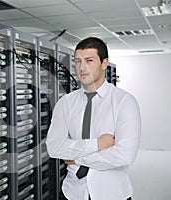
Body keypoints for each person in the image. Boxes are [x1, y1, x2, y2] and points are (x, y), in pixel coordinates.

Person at [45, 37, 141, 200]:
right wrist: (98, 144)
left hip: (112, 193)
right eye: (77, 61)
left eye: (89, 60)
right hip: (72, 192)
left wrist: (77, 158)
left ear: (104, 63)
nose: (82, 67)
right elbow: (54, 147)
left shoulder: (124, 101)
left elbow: (125, 154)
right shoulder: (65, 103)